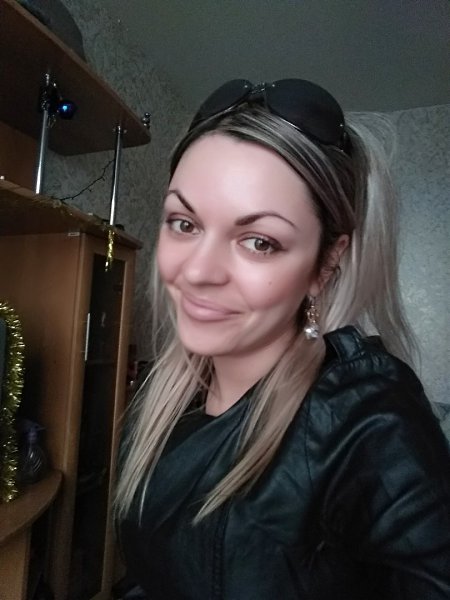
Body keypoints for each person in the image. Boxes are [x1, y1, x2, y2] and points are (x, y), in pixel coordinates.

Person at [115, 79, 450, 599]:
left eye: (259, 242)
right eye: (184, 223)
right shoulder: (164, 394)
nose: (198, 272)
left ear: (326, 263)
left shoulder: (367, 419)